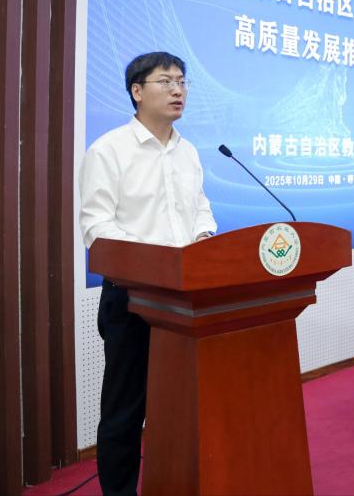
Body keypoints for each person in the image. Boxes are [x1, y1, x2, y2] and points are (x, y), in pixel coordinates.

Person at [79, 51, 217, 496]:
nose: (178, 90)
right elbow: (97, 226)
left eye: (182, 81)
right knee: (125, 409)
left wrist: (203, 235)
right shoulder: (109, 150)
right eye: (166, 81)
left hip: (184, 297)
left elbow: (199, 208)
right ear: (137, 91)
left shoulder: (187, 151)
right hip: (132, 297)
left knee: (177, 404)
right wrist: (153, 263)